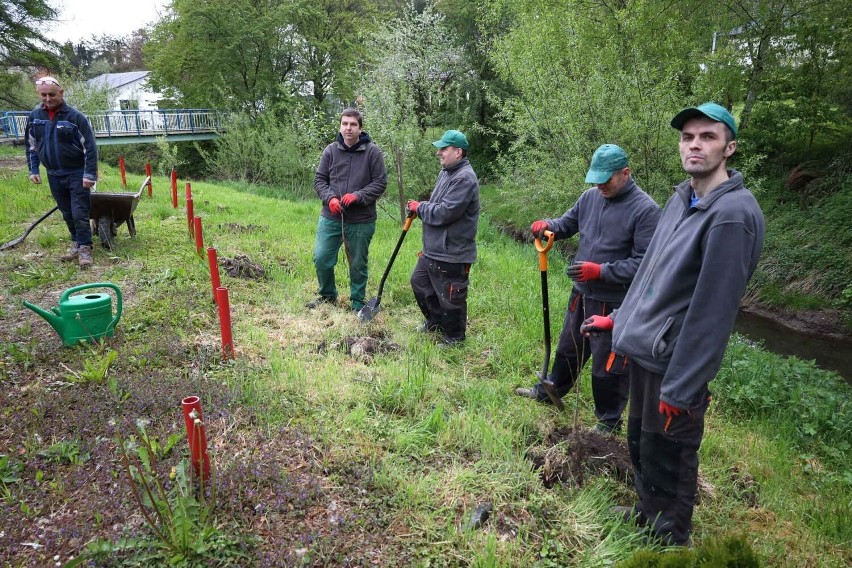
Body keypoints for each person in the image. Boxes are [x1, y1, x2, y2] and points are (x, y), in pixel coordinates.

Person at [581, 103, 765, 546]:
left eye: (708, 136)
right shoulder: (682, 198)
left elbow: (712, 313)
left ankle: (671, 534)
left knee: (671, 448)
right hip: (646, 347)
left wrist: (683, 387)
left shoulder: (732, 216)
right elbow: (650, 275)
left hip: (675, 360)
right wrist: (618, 322)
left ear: (729, 147)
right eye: (688, 137)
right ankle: (648, 512)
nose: (695, 144)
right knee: (642, 439)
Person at [516, 144, 660, 433]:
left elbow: (645, 266)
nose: (599, 185)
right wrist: (548, 226)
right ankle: (550, 391)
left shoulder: (646, 210)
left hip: (614, 302)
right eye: (596, 179)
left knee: (608, 365)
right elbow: (566, 225)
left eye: (605, 179)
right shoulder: (590, 197)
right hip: (581, 292)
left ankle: (608, 421)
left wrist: (602, 271)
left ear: (626, 173)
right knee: (568, 348)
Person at [408, 130, 480, 346]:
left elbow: (444, 212)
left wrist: (421, 208)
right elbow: (437, 204)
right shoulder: (446, 172)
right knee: (419, 283)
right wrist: (420, 209)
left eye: (444, 148)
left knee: (451, 297)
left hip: (453, 252)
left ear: (458, 152)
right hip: (434, 248)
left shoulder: (465, 178)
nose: (439, 152)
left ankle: (455, 339)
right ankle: (436, 322)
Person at [311, 108, 387, 311]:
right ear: (340, 126)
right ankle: (327, 296)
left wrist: (358, 196)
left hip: (361, 219)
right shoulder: (330, 150)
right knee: (321, 258)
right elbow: (319, 180)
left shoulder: (373, 152)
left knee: (357, 264)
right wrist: (330, 199)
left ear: (360, 128)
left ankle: (357, 303)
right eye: (345, 123)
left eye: (353, 124)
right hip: (331, 216)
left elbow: (380, 183)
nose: (348, 128)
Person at [25, 76, 98, 268]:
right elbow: (31, 145)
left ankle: (85, 248)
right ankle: (76, 242)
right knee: (66, 212)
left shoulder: (75, 118)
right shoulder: (35, 117)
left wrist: (90, 174)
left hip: (76, 172)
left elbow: (90, 148)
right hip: (54, 173)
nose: (48, 98)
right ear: (39, 94)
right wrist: (33, 169)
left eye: (52, 94)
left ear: (61, 93)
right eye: (43, 95)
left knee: (79, 212)